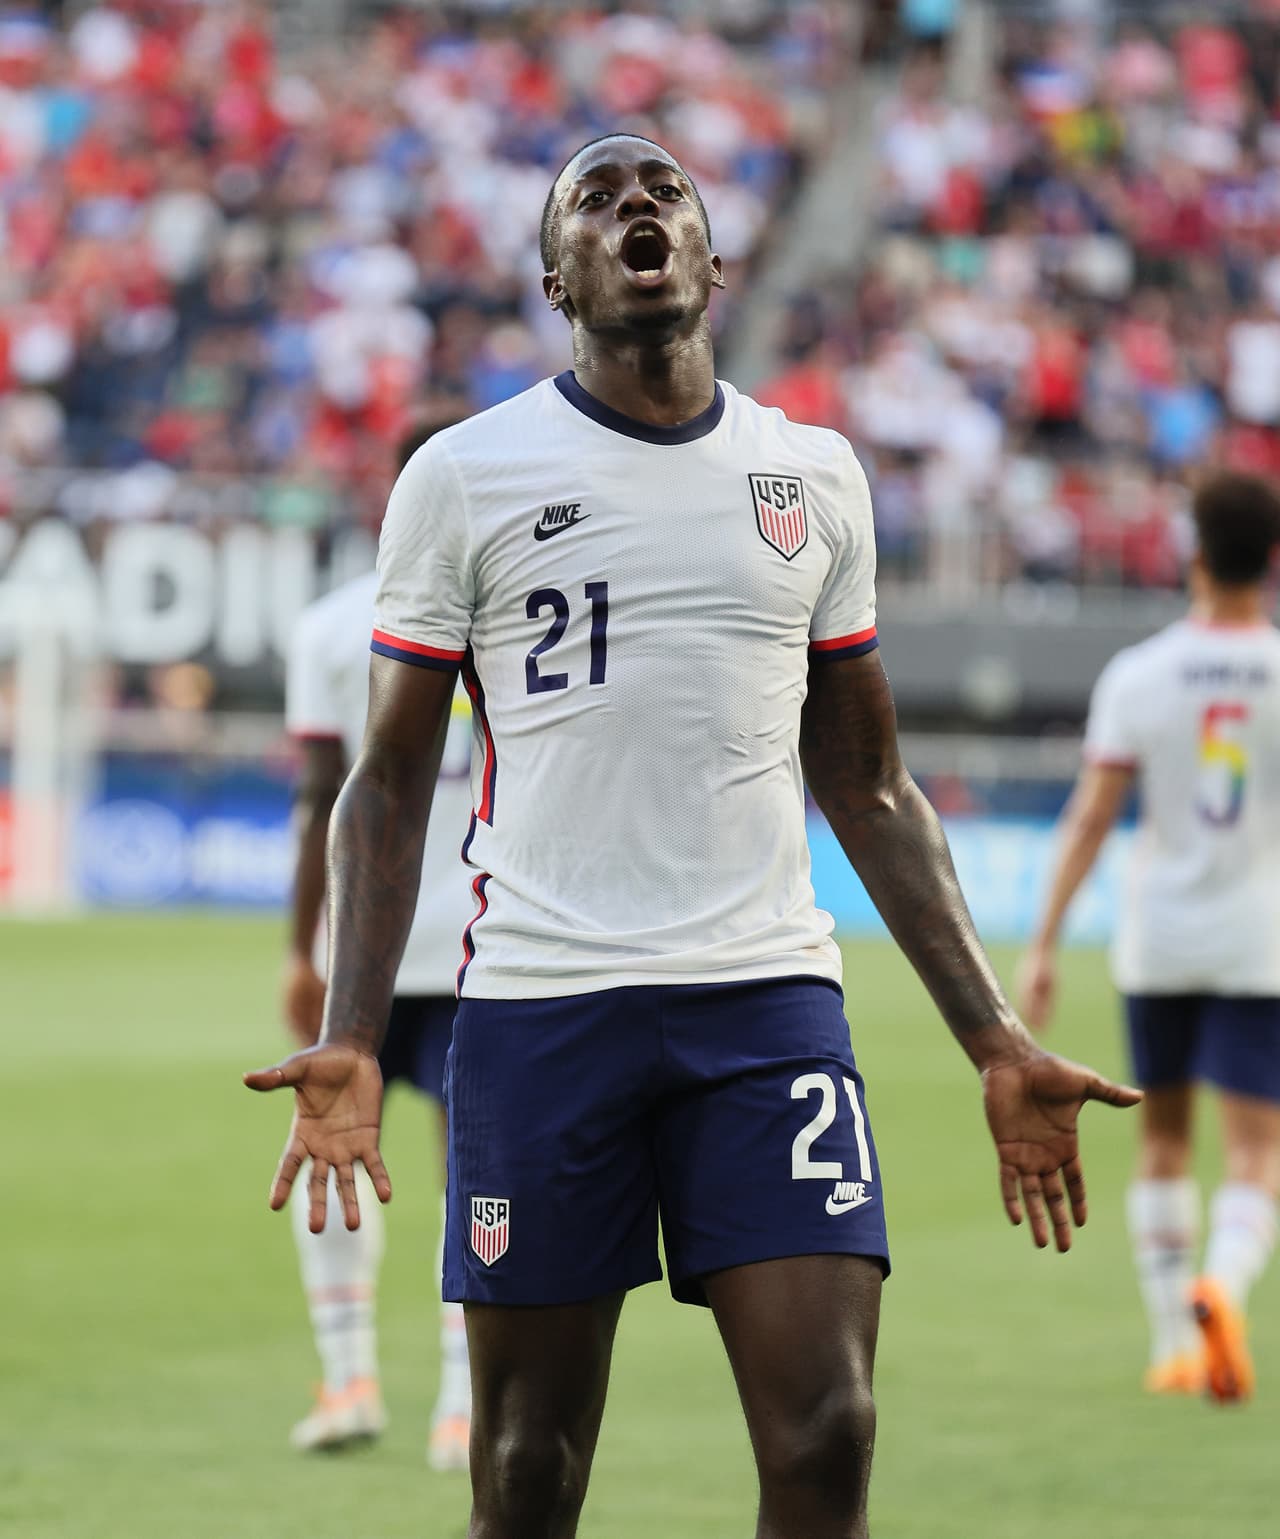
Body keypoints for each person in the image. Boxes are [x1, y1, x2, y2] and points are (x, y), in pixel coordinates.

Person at [247, 134, 1138, 1539]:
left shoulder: (812, 475)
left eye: (663, 192)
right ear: (556, 275)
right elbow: (388, 779)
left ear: (715, 260)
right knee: (529, 1467)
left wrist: (997, 1041)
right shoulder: (463, 477)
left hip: (766, 1005)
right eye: (594, 201)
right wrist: (355, 1026)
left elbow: (873, 786)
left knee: (830, 1424)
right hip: (543, 1010)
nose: (634, 209)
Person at [1020, 470, 1280, 1406]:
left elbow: (1092, 816)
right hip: (1259, 939)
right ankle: (1227, 1284)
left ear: (1195, 555)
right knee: (1257, 1152)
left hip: (1159, 935)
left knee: (1162, 1140)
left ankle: (1175, 1341)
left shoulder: (1142, 673)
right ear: (1272, 560)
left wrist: (1044, 939)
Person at [279, 420, 473, 1466]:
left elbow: (320, 803)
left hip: (363, 943)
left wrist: (298, 946)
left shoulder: (329, 627)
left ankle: (349, 1377)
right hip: (479, 940)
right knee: (468, 1170)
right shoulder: (512, 615)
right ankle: (459, 1401)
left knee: (327, 1157)